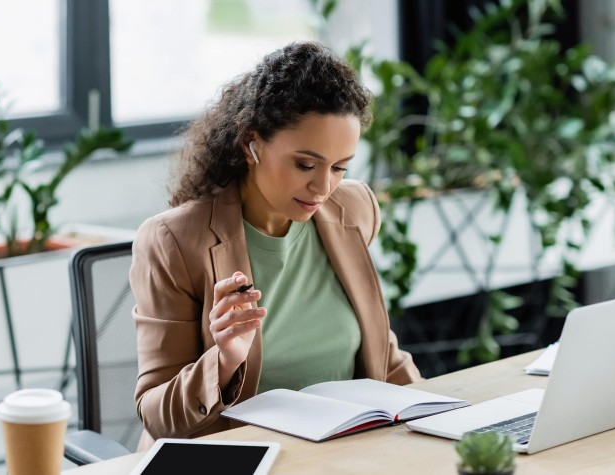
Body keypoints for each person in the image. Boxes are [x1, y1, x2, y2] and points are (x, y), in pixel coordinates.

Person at [130, 41, 421, 450]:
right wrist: (225, 359)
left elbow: (383, 358)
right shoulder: (174, 241)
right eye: (305, 164)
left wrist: (440, 424)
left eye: (339, 167)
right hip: (235, 458)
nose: (323, 187)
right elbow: (158, 417)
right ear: (252, 144)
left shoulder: (354, 210)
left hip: (342, 455)